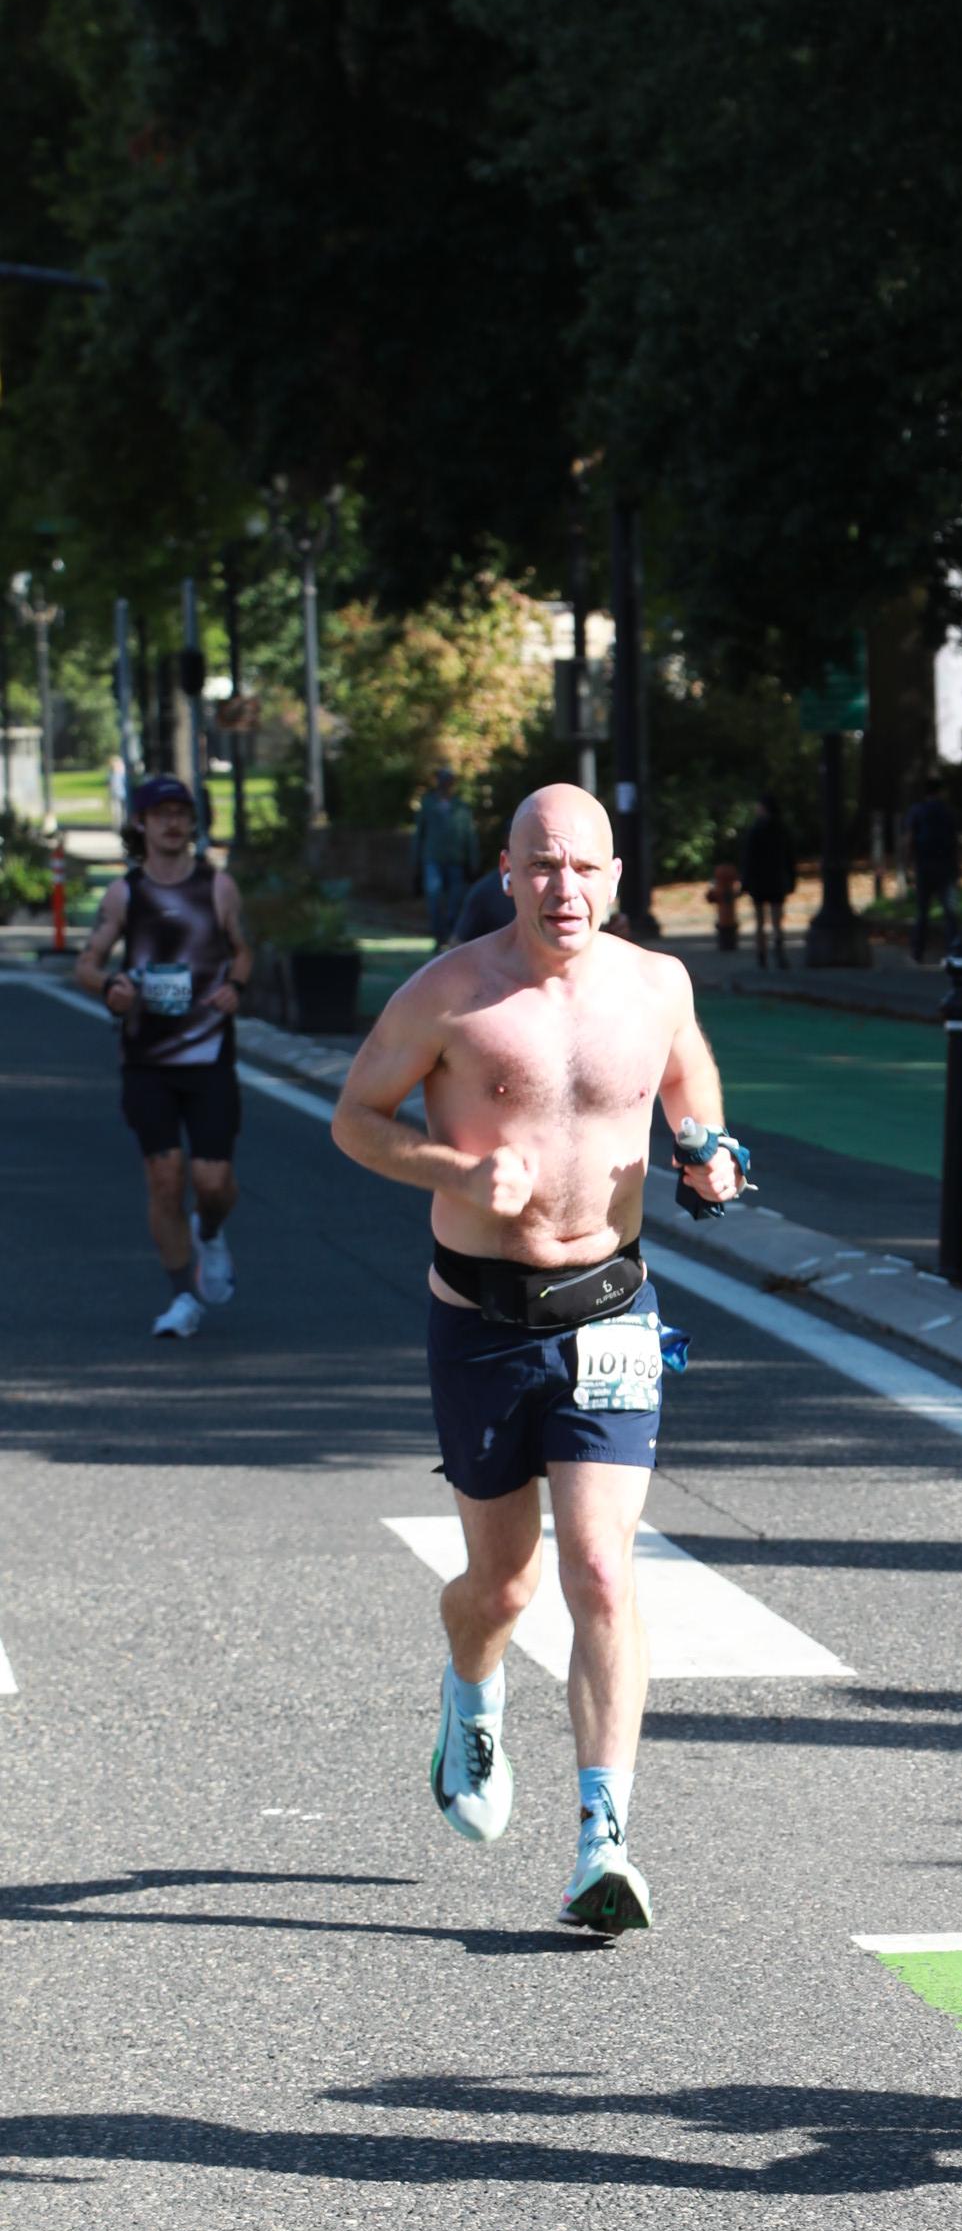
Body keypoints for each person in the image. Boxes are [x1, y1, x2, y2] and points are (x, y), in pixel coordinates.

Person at [332, 782, 747, 1939]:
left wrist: (707, 1151)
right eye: (543, 865)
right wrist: (455, 1172)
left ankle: (602, 1842)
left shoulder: (656, 985)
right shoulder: (450, 994)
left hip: (611, 1312)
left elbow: (686, 1079)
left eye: (585, 866)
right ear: (510, 874)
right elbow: (355, 1119)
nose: (566, 887)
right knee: (502, 1587)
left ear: (616, 877)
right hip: (482, 1317)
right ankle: (471, 1692)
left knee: (603, 1571)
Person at [74, 770, 255, 1339]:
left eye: (181, 814)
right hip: (146, 1060)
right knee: (164, 1176)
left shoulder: (217, 887)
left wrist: (236, 987)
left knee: (213, 1182)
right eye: (162, 814)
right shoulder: (124, 893)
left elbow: (243, 951)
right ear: (141, 824)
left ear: (192, 823)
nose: (173, 824)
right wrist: (111, 987)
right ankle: (182, 1296)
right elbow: (87, 964)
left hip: (209, 1057)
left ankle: (210, 1231)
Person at [410, 766, 478, 952]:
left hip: (456, 860)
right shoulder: (428, 804)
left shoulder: (461, 806)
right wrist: (415, 862)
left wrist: (473, 861)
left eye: (449, 780)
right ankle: (439, 937)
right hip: (433, 859)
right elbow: (419, 834)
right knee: (435, 900)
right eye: (443, 779)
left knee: (456, 902)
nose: (446, 783)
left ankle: (451, 937)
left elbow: (469, 835)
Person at [904, 780, 962, 960]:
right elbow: (956, 840)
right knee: (950, 911)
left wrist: (908, 864)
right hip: (946, 866)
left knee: (922, 911)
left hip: (924, 866)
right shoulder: (948, 812)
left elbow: (910, 839)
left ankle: (918, 950)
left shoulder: (917, 811)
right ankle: (954, 949)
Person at [739, 797, 797, 967]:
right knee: (777, 920)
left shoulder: (756, 830)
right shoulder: (781, 829)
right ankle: (778, 950)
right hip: (776, 880)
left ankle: (761, 954)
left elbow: (748, 859)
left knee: (760, 921)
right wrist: (791, 880)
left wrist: (745, 883)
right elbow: (789, 858)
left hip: (759, 882)